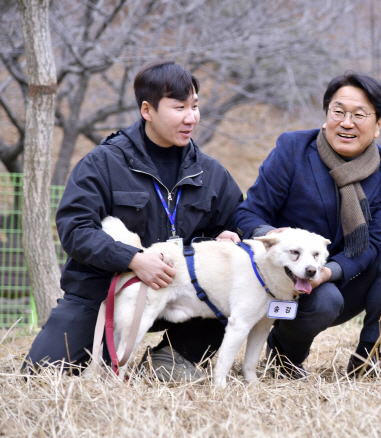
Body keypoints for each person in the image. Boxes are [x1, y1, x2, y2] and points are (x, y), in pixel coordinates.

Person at [23, 61, 244, 381]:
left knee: (237, 301)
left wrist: (229, 235)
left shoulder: (209, 171)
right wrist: (133, 259)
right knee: (41, 375)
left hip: (183, 292)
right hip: (103, 294)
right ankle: (101, 350)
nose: (191, 117)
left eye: (195, 106)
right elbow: (75, 229)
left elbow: (238, 218)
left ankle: (172, 358)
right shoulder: (103, 162)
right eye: (179, 107)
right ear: (147, 110)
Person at [234, 72, 381, 378]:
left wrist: (329, 271)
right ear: (326, 115)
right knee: (325, 300)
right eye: (338, 112)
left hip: (346, 274)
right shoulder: (293, 149)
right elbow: (249, 213)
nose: (347, 123)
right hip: (286, 278)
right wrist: (271, 237)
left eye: (359, 115)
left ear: (378, 125)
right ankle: (284, 358)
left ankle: (370, 357)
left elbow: (373, 244)